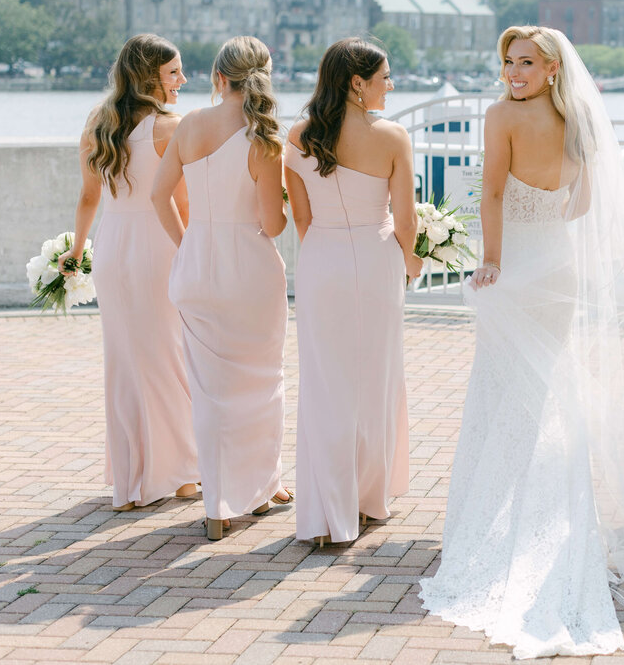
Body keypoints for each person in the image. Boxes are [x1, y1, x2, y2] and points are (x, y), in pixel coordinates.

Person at [419, 26, 624, 659]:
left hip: (515, 264)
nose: (512, 73)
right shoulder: (578, 123)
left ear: (549, 68)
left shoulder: (501, 118)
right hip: (557, 267)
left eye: (524, 63)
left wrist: (492, 259)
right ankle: (550, 522)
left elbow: (489, 191)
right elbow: (584, 203)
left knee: (504, 393)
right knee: (546, 391)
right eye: (507, 63)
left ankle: (499, 528)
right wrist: (541, 225)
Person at [150, 36, 291, 542]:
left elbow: (158, 194)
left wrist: (188, 243)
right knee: (261, 381)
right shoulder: (265, 138)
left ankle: (218, 509)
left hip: (198, 267)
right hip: (248, 270)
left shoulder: (188, 125)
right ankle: (262, 486)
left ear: (218, 77)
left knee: (210, 393)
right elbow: (272, 226)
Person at [285, 39, 421, 545]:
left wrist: (325, 253)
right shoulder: (392, 137)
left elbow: (300, 216)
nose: (391, 83)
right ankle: (368, 499)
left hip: (320, 259)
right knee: (375, 378)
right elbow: (405, 218)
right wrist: (413, 259)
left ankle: (327, 508)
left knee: (324, 382)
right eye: (385, 75)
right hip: (376, 256)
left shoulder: (297, 136)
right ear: (357, 82)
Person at [58, 33, 199, 512]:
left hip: (113, 248)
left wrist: (77, 251)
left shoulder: (99, 122)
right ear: (149, 77)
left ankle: (133, 475)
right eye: (174, 72)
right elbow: (181, 204)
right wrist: (195, 250)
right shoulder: (169, 127)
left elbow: (88, 197)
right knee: (168, 356)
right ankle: (180, 474)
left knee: (125, 361)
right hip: (157, 243)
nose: (183, 79)